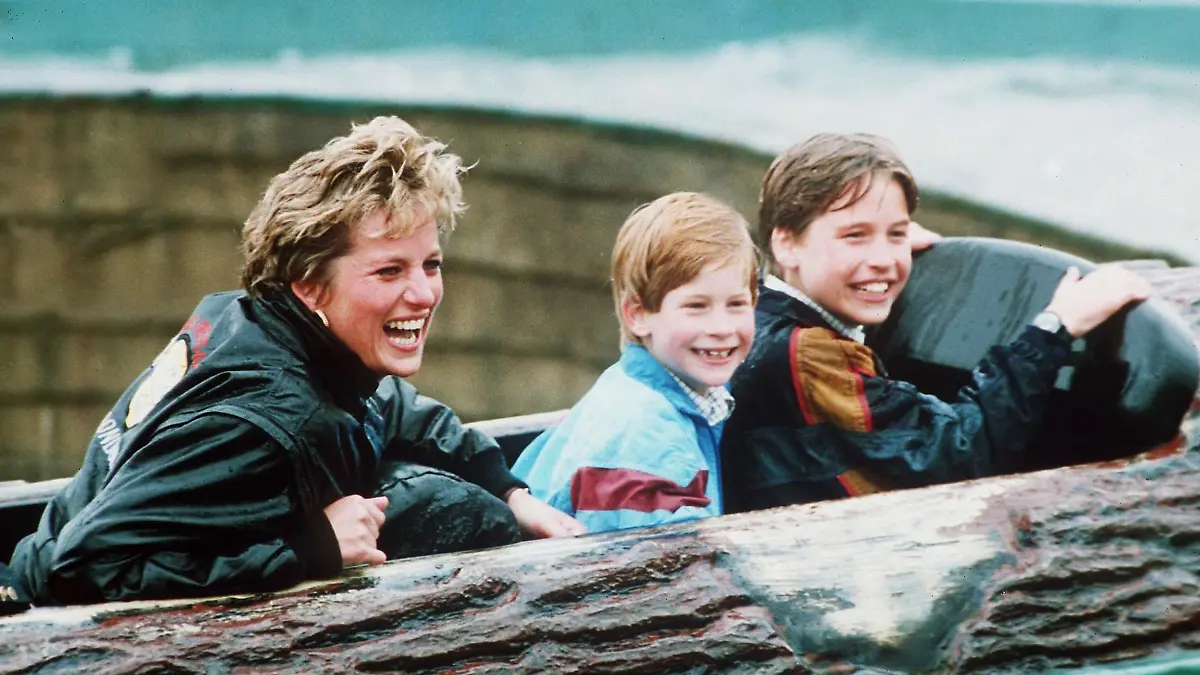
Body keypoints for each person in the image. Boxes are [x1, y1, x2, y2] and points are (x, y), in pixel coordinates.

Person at [7, 116, 584, 606]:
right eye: (389, 271)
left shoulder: (256, 321)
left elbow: (391, 405)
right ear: (310, 287)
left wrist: (509, 490)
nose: (424, 293)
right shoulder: (263, 423)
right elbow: (79, 570)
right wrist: (310, 552)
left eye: (430, 264)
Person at [720, 133, 1153, 513]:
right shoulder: (807, 353)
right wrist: (1055, 328)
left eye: (896, 234)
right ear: (788, 244)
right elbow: (958, 454)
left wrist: (867, 246)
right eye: (855, 235)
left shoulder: (755, 315)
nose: (886, 260)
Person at [513, 192, 758, 532]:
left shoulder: (640, 387)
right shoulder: (647, 443)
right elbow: (679, 571)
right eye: (696, 306)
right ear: (638, 314)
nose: (721, 328)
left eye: (736, 304)